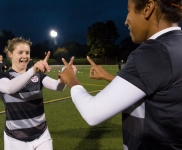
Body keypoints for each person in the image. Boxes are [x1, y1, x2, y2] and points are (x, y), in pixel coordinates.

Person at [58, 0, 182, 149]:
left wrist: (71, 79)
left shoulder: (152, 52)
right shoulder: (175, 45)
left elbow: (92, 113)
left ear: (147, 8)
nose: (125, 21)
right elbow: (159, 89)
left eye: (128, 10)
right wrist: (108, 77)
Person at [0, 37, 76, 150]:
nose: (25, 56)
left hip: (42, 136)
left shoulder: (38, 75)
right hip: (15, 139)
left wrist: (66, 75)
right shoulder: (3, 77)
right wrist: (32, 71)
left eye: (27, 52)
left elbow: (58, 87)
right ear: (10, 54)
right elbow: (9, 88)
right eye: (20, 52)